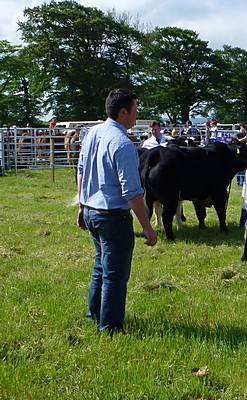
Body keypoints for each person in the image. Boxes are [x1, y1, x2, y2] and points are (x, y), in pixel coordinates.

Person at [76, 88, 157, 334]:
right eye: (134, 110)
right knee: (115, 274)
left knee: (100, 266)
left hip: (92, 209)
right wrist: (146, 226)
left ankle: (94, 314)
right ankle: (110, 327)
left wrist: (82, 204)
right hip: (112, 216)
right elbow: (132, 192)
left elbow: (80, 169)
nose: (136, 115)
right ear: (123, 112)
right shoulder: (122, 144)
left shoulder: (93, 133)